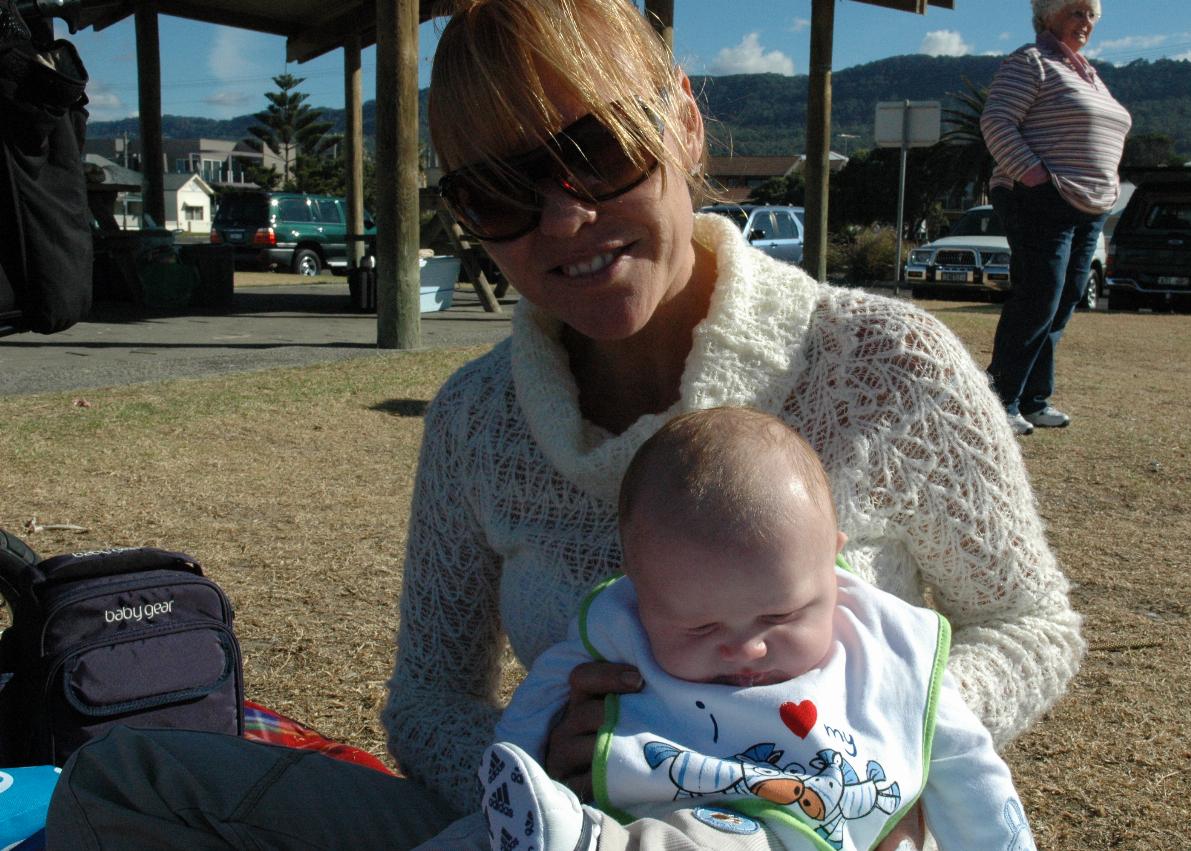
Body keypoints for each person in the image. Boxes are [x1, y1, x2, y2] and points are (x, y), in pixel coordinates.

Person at [46, 1, 1082, 848]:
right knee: (127, 778)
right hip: (544, 828)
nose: (560, 219)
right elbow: (427, 700)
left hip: (812, 832)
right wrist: (534, 763)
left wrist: (868, 747)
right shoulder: (475, 420)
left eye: (593, 149)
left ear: (681, 120)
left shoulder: (879, 363)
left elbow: (1033, 624)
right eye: (495, 191)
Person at [472, 406, 1037, 851]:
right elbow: (539, 700)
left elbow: (969, 769)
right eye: (697, 626)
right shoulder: (620, 624)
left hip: (784, 829)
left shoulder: (889, 646)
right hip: (638, 805)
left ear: (832, 564)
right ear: (638, 590)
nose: (746, 647)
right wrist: (517, 771)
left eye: (780, 616)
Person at [980, 0, 1131, 436]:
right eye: (1076, 11)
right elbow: (996, 121)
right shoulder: (1031, 63)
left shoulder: (1091, 75)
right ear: (1048, 15)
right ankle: (999, 401)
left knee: (1065, 299)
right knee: (1039, 296)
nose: (1085, 23)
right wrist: (1035, 178)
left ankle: (1033, 398)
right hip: (1040, 198)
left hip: (1088, 207)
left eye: (1091, 15)